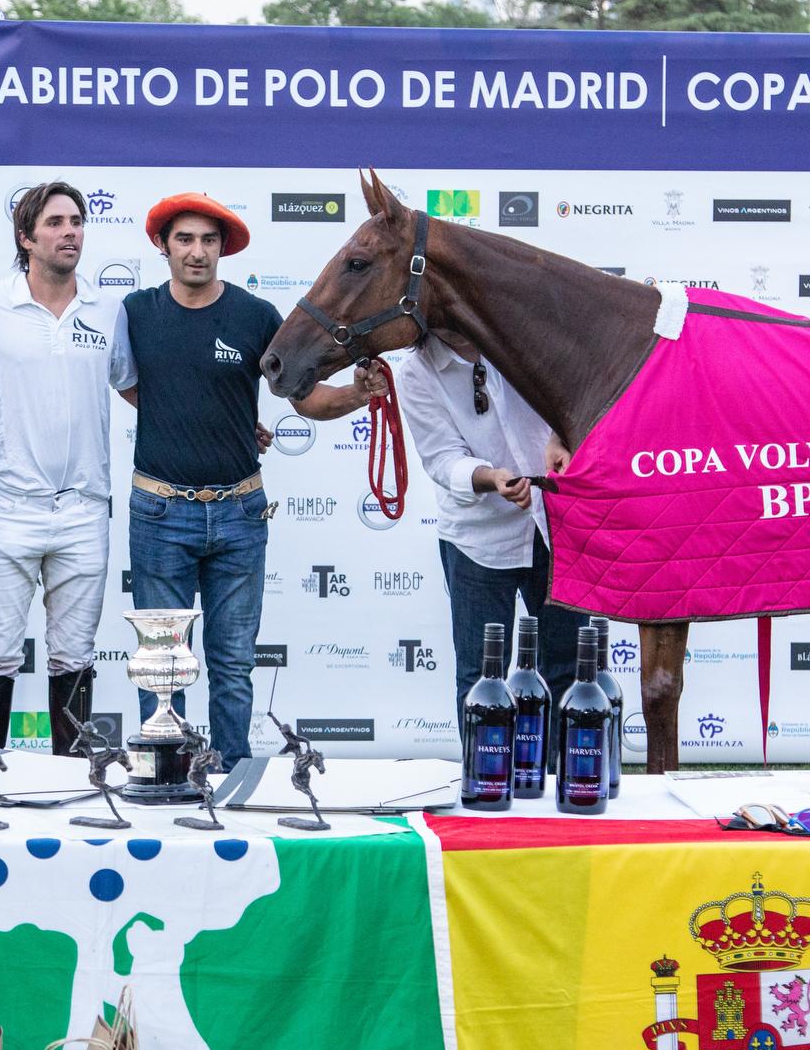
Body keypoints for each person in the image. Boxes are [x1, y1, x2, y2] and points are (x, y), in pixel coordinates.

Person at [121, 192, 384, 760]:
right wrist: (183, 415)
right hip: (160, 513)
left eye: (208, 241)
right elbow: (128, 384)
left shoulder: (255, 315)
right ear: (163, 246)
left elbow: (306, 398)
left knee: (233, 661)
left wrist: (358, 395)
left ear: (223, 249)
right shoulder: (136, 312)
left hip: (241, 514)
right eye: (185, 239)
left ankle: (231, 778)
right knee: (161, 663)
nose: (197, 252)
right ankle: (162, 777)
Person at [0, 182, 134, 754]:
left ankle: (72, 784)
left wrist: (220, 423)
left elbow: (135, 388)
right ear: (26, 237)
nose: (70, 232)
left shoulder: (109, 309)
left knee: (74, 653)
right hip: (9, 505)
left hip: (85, 507)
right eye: (55, 223)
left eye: (77, 221)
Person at [394, 332, 580, 738]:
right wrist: (490, 478)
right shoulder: (416, 373)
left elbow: (572, 398)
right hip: (476, 540)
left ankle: (559, 786)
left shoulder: (521, 337)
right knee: (481, 676)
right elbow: (442, 458)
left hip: (556, 523)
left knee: (568, 669)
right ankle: (486, 787)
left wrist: (560, 437)